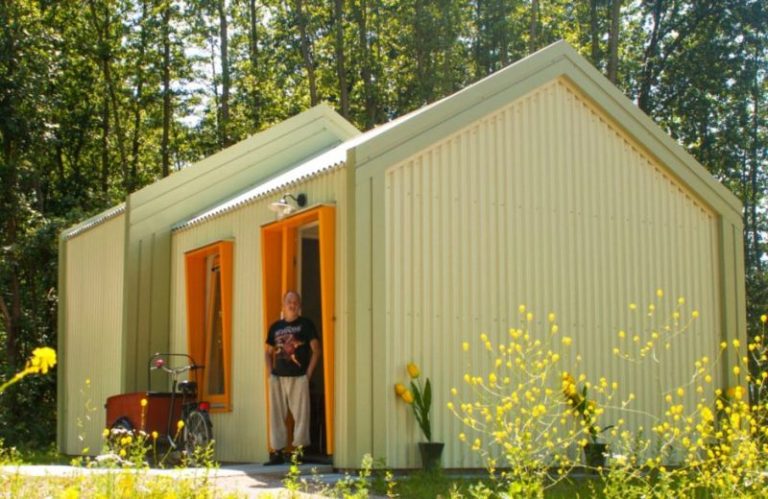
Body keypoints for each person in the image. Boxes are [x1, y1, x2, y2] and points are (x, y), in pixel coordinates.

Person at [264, 290, 320, 465]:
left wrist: (308, 374)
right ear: (283, 304)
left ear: (299, 305)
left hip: (299, 377)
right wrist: (269, 373)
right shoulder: (275, 327)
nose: (292, 304)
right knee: (276, 415)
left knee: (301, 415)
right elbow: (267, 352)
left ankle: (299, 451)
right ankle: (277, 452)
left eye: (295, 301)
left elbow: (316, 350)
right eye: (289, 301)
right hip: (278, 378)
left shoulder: (306, 325)